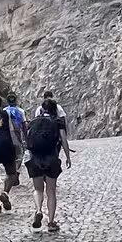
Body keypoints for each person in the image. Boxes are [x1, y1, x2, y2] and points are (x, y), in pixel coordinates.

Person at [25, 92, 72, 233]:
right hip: (51, 158)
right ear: (54, 109)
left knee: (38, 189)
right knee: (51, 192)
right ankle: (51, 222)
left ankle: (38, 210)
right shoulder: (58, 121)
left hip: (35, 158)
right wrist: (68, 156)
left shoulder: (33, 122)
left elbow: (27, 141)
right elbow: (63, 139)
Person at [3, 92, 26, 188]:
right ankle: (15, 171)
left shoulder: (3, 111)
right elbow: (24, 125)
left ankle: (11, 175)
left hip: (6, 138)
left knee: (10, 157)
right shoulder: (20, 111)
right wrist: (26, 137)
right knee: (19, 155)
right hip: (17, 136)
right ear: (16, 100)